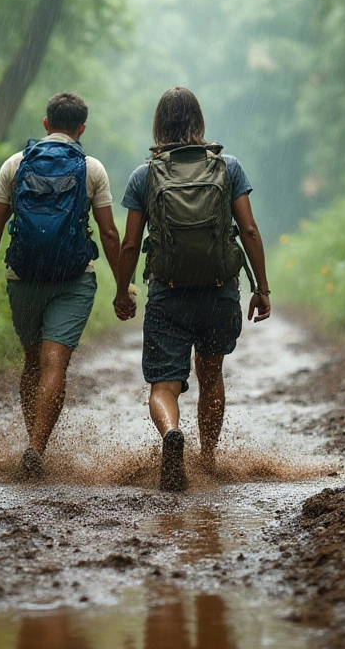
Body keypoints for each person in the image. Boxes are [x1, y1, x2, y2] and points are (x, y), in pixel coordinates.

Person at [114, 87, 272, 492]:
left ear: (158, 124)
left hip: (169, 293)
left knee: (163, 385)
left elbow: (130, 243)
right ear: (199, 122)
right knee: (211, 374)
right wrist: (261, 287)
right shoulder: (228, 167)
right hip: (218, 291)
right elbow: (249, 230)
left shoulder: (144, 175)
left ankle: (171, 434)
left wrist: (123, 289)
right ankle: (207, 459)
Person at [0, 92, 121, 480]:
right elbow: (108, 232)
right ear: (81, 128)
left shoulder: (16, 164)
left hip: (23, 277)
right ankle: (37, 446)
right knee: (55, 362)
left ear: (45, 123)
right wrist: (123, 286)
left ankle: (33, 442)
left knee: (32, 360)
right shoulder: (92, 168)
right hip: (73, 279)